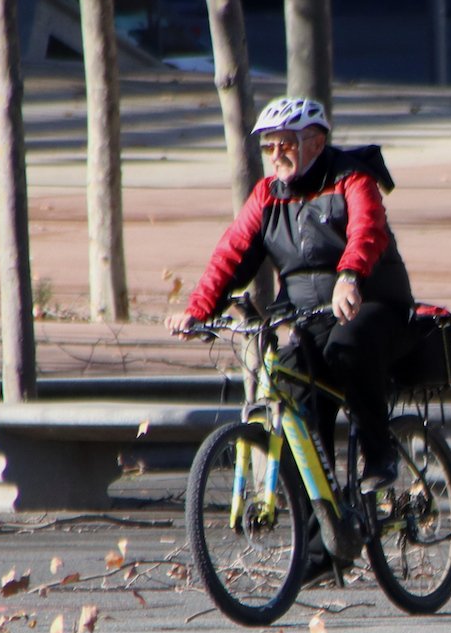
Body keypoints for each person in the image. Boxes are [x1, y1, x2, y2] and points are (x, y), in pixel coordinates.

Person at [166, 95, 412, 490]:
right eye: (269, 146)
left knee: (348, 348)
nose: (275, 155)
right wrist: (198, 310)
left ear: (316, 141)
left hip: (373, 302)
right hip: (308, 315)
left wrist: (349, 277)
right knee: (294, 395)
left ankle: (379, 453)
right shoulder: (267, 194)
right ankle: (323, 546)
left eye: (286, 144)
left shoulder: (352, 178)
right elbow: (231, 254)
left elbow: (367, 232)